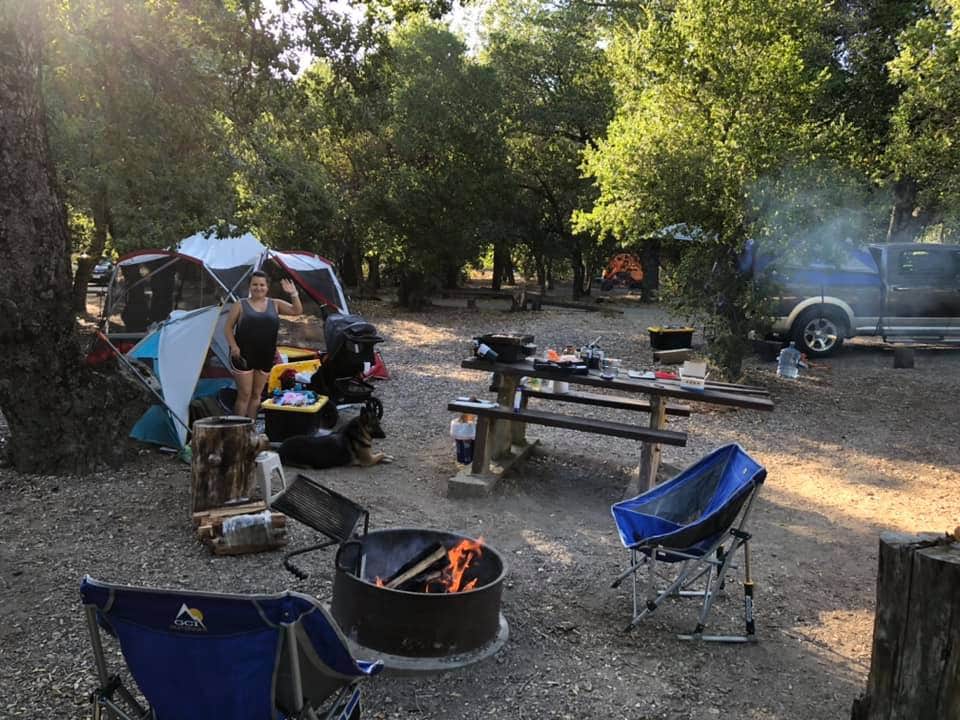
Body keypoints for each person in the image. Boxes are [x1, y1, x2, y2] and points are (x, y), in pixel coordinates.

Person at [224, 271, 303, 418]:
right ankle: (237, 431)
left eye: (262, 285)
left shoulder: (275, 304)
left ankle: (251, 428)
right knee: (244, 395)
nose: (258, 288)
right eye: (255, 284)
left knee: (256, 395)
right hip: (243, 356)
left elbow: (296, 311)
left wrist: (294, 294)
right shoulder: (240, 305)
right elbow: (228, 328)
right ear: (249, 286)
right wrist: (234, 347)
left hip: (265, 356)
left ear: (267, 287)